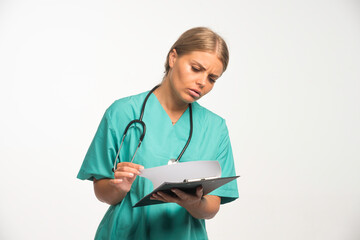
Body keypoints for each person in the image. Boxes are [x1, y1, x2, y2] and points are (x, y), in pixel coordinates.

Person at [77, 26, 239, 239]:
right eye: (196, 68)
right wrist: (120, 187)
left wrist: (194, 202)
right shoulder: (123, 112)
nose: (202, 82)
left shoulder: (215, 128)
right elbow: (102, 192)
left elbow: (212, 207)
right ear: (173, 57)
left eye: (212, 78)